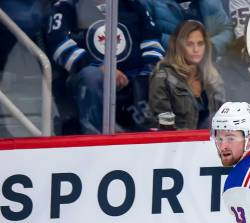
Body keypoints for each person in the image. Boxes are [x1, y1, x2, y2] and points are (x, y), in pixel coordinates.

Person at [46, 0, 164, 134]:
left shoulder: (132, 5)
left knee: (160, 74)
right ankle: (95, 138)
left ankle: (150, 136)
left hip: (133, 79)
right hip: (87, 77)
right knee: (91, 76)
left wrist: (150, 68)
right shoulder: (66, 7)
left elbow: (151, 39)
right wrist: (100, 67)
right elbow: (59, 45)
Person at [149, 20, 225, 129]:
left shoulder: (213, 76)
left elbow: (224, 119)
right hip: (179, 143)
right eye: (189, 44)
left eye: (200, 44)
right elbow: (164, 127)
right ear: (179, 46)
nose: (196, 49)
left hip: (213, 142)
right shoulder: (162, 77)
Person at [139, 0, 234, 57]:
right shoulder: (149, 3)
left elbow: (227, 30)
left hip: (212, 71)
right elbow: (147, 36)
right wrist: (182, 47)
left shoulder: (210, 2)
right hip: (171, 73)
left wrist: (211, 47)